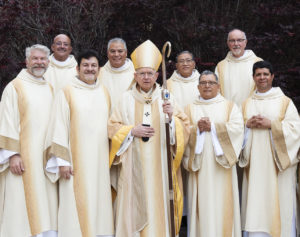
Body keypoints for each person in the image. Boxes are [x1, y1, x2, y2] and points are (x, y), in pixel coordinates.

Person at [108, 40, 190, 237]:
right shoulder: (125, 99)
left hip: (160, 165)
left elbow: (184, 127)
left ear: (156, 75)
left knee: (159, 204)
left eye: (150, 73)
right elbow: (112, 127)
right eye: (142, 73)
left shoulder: (167, 97)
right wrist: (130, 131)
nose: (146, 77)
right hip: (132, 166)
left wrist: (171, 119)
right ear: (135, 75)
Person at [44, 50, 114, 237]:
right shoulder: (67, 92)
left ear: (99, 69)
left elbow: (111, 126)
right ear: (77, 68)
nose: (89, 69)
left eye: (93, 66)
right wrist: (63, 162)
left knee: (99, 203)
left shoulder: (104, 92)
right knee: (75, 204)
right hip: (75, 163)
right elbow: (59, 126)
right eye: (86, 65)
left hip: (99, 162)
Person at [0, 44, 57, 237]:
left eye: (43, 59)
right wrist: (13, 155)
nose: (39, 62)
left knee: (45, 201)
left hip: (44, 157)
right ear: (27, 61)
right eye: (35, 59)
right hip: (23, 158)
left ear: (48, 62)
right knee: (21, 202)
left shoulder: (49, 87)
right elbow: (7, 121)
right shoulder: (14, 87)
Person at [240, 61, 300, 237]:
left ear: (272, 76)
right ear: (253, 78)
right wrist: (247, 125)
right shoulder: (246, 104)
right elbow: (236, 132)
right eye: (258, 74)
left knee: (281, 202)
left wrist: (271, 125)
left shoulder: (285, 103)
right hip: (255, 165)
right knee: (256, 202)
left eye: (265, 74)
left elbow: (295, 130)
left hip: (279, 166)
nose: (262, 77)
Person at [183, 70, 244, 237]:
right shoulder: (189, 108)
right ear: (198, 87)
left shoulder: (230, 106)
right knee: (201, 205)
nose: (207, 86)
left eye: (211, 83)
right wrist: (197, 130)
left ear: (218, 86)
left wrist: (214, 128)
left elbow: (238, 129)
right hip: (200, 167)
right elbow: (182, 133)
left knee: (223, 204)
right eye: (203, 83)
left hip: (222, 168)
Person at [215, 29, 262, 106]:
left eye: (239, 40)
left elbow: (263, 90)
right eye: (232, 41)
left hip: (251, 112)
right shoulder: (221, 66)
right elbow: (216, 92)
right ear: (228, 43)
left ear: (245, 42)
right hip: (228, 113)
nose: (236, 44)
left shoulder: (258, 63)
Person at [98, 37, 135, 110]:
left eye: (120, 51)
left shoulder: (136, 75)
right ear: (108, 53)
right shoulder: (99, 74)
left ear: (126, 53)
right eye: (112, 51)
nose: (116, 54)